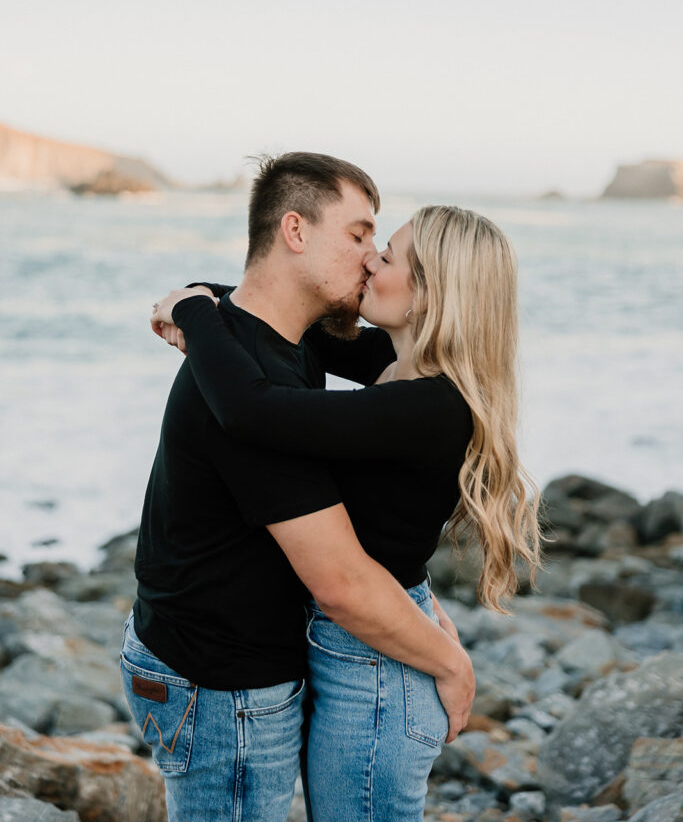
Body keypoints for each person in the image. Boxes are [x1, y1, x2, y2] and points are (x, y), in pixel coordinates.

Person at [151, 200, 543, 822]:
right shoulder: (396, 366)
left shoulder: (429, 406)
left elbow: (253, 411)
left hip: (378, 670)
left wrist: (195, 313)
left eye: (386, 256)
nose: (369, 261)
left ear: (427, 295)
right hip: (366, 649)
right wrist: (212, 297)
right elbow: (288, 320)